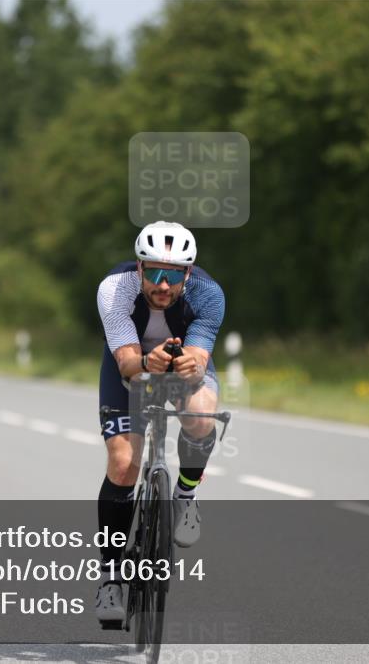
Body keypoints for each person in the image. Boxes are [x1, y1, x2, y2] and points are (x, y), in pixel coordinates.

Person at [94, 221, 225, 623]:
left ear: (189, 273)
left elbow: (199, 360)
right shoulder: (114, 288)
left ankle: (186, 494)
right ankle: (112, 576)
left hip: (183, 367)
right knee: (123, 464)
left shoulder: (210, 295)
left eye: (173, 274)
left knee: (201, 416)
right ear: (138, 268)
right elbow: (128, 364)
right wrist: (147, 364)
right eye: (153, 272)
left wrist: (190, 366)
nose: (163, 285)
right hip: (130, 366)